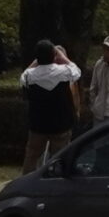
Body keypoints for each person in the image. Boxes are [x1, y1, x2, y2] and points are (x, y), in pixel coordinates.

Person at [19, 43, 81, 172]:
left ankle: (27, 182)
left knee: (32, 156)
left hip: (38, 124)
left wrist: (37, 60)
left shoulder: (30, 75)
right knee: (60, 157)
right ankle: (58, 181)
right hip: (61, 124)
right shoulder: (63, 72)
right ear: (54, 56)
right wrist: (63, 56)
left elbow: (22, 77)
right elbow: (76, 71)